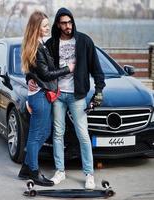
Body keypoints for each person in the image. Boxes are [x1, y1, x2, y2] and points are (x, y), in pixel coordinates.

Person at [28, 7, 106, 189]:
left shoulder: (84, 41)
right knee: (57, 133)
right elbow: (35, 67)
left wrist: (99, 91)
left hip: (77, 96)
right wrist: (29, 78)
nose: (68, 25)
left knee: (83, 134)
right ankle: (60, 171)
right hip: (57, 95)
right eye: (64, 23)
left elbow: (97, 70)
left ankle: (89, 174)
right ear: (58, 24)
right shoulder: (51, 44)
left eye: (70, 22)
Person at [18, 10, 75, 186]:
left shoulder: (39, 44)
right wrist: (68, 68)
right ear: (36, 28)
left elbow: (32, 71)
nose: (47, 27)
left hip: (43, 94)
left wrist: (29, 78)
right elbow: (46, 73)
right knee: (36, 135)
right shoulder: (35, 47)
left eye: (48, 24)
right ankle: (34, 173)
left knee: (45, 132)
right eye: (44, 25)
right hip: (41, 96)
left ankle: (26, 168)